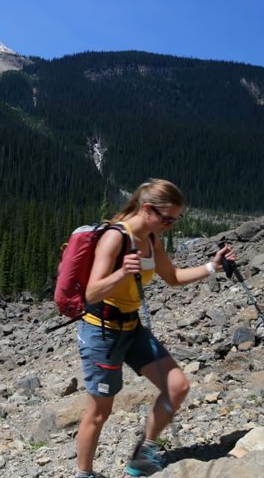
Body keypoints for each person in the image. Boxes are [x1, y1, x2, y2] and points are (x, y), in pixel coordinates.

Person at [75, 179, 234, 478]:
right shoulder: (115, 237)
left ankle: (142, 457)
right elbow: (92, 293)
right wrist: (122, 271)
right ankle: (84, 474)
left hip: (131, 326)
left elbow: (172, 276)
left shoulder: (151, 238)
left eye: (176, 219)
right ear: (148, 209)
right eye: (168, 218)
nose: (171, 225)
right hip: (102, 331)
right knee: (99, 413)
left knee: (177, 386)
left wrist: (213, 267)